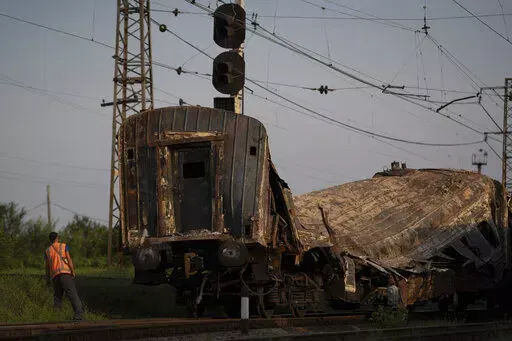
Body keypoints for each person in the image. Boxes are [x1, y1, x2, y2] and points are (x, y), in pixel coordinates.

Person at [44, 231, 85, 321]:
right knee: (72, 294)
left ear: (50, 240)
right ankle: (78, 316)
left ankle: (56, 318)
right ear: (57, 238)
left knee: (57, 298)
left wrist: (47, 278)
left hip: (55, 277)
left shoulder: (47, 250)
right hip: (65, 274)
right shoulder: (63, 246)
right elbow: (69, 259)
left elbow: (47, 267)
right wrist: (72, 271)